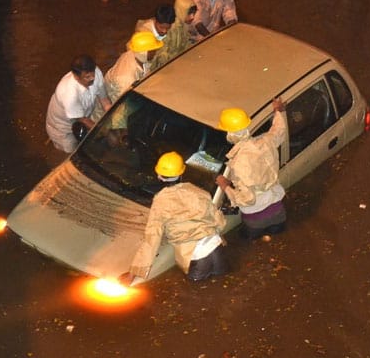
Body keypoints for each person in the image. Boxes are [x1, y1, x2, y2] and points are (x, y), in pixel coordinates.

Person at [120, 152, 229, 284]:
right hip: (218, 249)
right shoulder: (199, 192)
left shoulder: (160, 202)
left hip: (196, 258)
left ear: (159, 176)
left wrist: (134, 273)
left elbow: (152, 240)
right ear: (181, 173)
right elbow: (220, 222)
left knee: (195, 290)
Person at [214, 98, 289, 240]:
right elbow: (278, 131)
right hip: (279, 212)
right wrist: (278, 111)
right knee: (280, 239)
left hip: (255, 221)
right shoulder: (266, 141)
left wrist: (225, 186)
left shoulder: (238, 163)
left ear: (229, 134)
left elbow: (248, 199)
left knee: (248, 241)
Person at [45, 54, 111, 153]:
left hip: (84, 115)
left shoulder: (96, 72)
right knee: (72, 151)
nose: (92, 79)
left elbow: (104, 99)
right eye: (87, 77)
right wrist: (105, 133)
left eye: (93, 74)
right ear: (76, 77)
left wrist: (112, 117)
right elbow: (83, 120)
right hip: (64, 129)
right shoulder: (69, 94)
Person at [104, 31, 163, 104]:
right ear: (144, 53)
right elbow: (126, 104)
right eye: (153, 51)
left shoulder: (136, 55)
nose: (155, 53)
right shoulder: (126, 78)